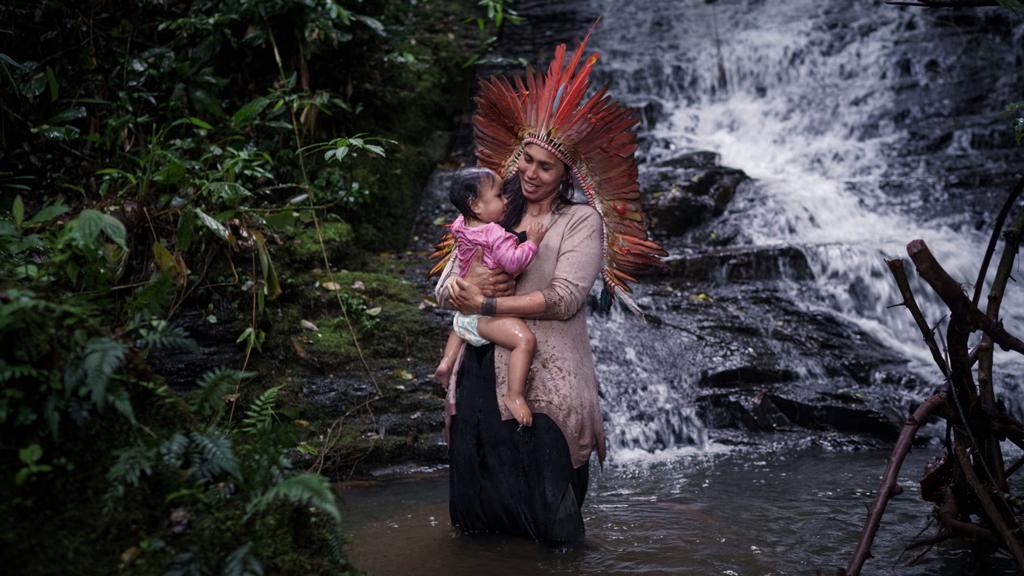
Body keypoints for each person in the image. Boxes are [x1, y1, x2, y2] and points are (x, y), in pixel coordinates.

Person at [434, 26, 666, 543]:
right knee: (479, 516)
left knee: (553, 522)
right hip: (476, 374)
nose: (532, 174)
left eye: (546, 167)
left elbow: (564, 300)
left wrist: (489, 299)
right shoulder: (491, 216)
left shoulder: (580, 221)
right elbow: (446, 284)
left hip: (546, 378)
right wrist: (460, 291)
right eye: (527, 162)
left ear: (567, 173)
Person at [434, 167, 546, 427]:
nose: (505, 201)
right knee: (525, 341)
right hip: (485, 315)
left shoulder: (461, 226)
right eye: (499, 196)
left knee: (459, 325)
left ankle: (446, 362)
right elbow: (513, 263)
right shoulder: (494, 232)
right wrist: (532, 243)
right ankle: (514, 395)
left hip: (465, 316)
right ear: (475, 204)